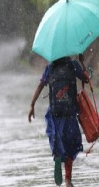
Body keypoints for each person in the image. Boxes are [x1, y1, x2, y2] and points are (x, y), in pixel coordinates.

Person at [28, 55, 89, 187]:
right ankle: (68, 179)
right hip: (70, 113)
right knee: (71, 145)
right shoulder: (73, 65)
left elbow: (40, 85)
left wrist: (32, 104)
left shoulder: (50, 68)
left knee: (56, 139)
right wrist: (82, 62)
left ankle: (57, 157)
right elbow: (86, 79)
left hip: (55, 114)